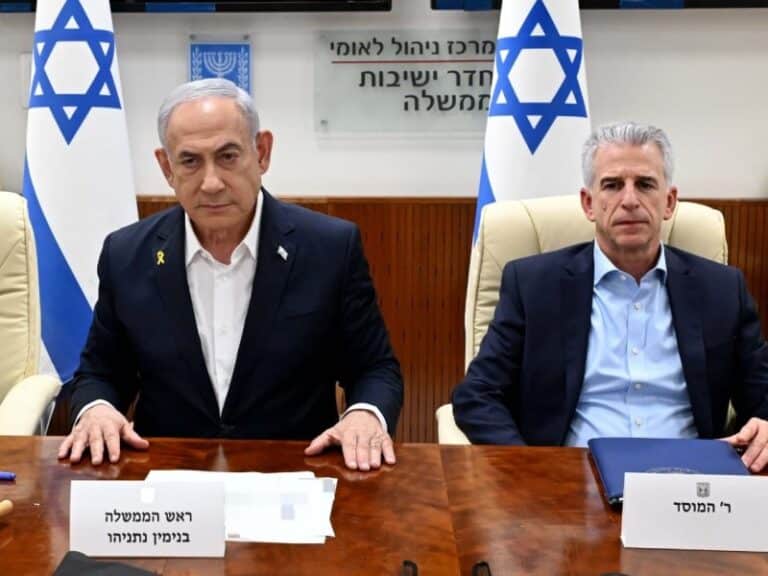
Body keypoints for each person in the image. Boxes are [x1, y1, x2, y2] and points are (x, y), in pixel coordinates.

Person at [58, 78, 403, 471]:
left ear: (262, 152)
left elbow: (375, 368)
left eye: (227, 156)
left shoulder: (329, 248)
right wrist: (97, 409)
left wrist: (364, 414)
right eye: (190, 161)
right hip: (169, 477)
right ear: (166, 167)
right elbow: (100, 372)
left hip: (295, 475)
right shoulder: (126, 254)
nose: (211, 183)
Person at [452, 121, 768, 472]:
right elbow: (477, 394)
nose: (629, 200)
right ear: (588, 204)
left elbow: (761, 394)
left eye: (645, 184)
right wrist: (532, 467)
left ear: (669, 202)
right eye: (613, 185)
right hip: (570, 481)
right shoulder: (533, 285)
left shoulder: (722, 290)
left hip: (687, 482)